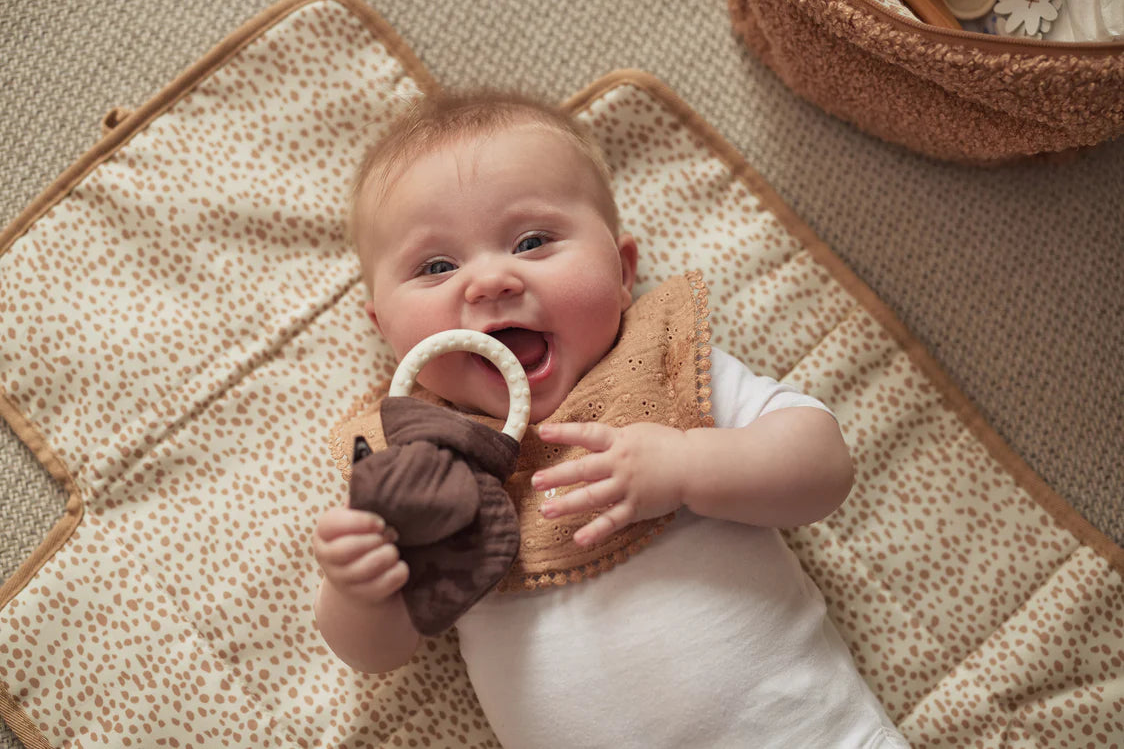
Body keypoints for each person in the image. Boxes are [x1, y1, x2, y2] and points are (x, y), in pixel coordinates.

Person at [313, 90, 910, 748]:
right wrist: (359, 590)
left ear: (623, 271)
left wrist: (684, 466)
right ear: (386, 329)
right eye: (436, 266)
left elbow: (824, 466)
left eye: (532, 241)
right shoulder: (414, 466)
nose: (489, 282)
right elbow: (378, 652)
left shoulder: (662, 364)